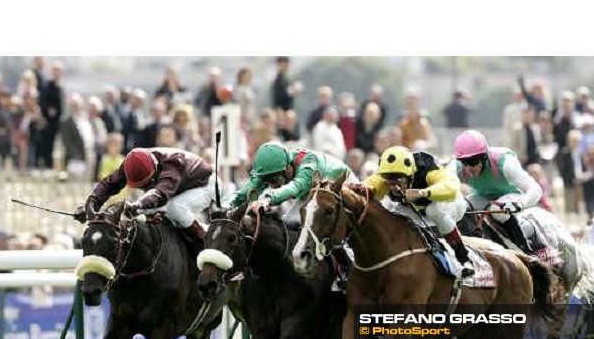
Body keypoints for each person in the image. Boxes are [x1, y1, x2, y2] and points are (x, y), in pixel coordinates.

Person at [357, 145, 473, 277]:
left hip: (450, 202)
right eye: (389, 180)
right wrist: (361, 189)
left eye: (398, 179)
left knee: (433, 210)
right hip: (417, 209)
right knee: (393, 216)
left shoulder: (428, 170)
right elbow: (370, 184)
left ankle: (463, 258)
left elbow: (451, 189)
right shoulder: (386, 176)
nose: (393, 186)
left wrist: (422, 192)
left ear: (411, 175)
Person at [75, 147, 218, 240]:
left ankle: (204, 241)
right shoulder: (131, 163)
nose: (145, 187)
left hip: (205, 184)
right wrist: (91, 203)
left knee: (175, 208)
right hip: (176, 189)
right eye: (142, 186)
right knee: (142, 212)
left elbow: (159, 195)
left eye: (148, 183)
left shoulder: (174, 164)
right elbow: (109, 184)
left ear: (155, 167)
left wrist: (137, 204)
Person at [454, 129, 542, 253]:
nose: (468, 168)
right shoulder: (457, 168)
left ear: (484, 157)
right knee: (460, 207)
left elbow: (536, 189)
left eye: (472, 162)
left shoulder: (506, 164)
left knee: (496, 211)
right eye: (464, 162)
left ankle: (526, 250)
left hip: (512, 195)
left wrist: (521, 203)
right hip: (484, 196)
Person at [228, 141, 355, 222]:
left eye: (275, 179)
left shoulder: (309, 164)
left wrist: (267, 199)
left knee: (294, 222)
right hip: (314, 193)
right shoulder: (275, 167)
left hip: (343, 188)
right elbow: (250, 188)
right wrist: (229, 203)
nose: (272, 184)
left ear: (288, 168)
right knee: (288, 222)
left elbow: (294, 187)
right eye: (268, 180)